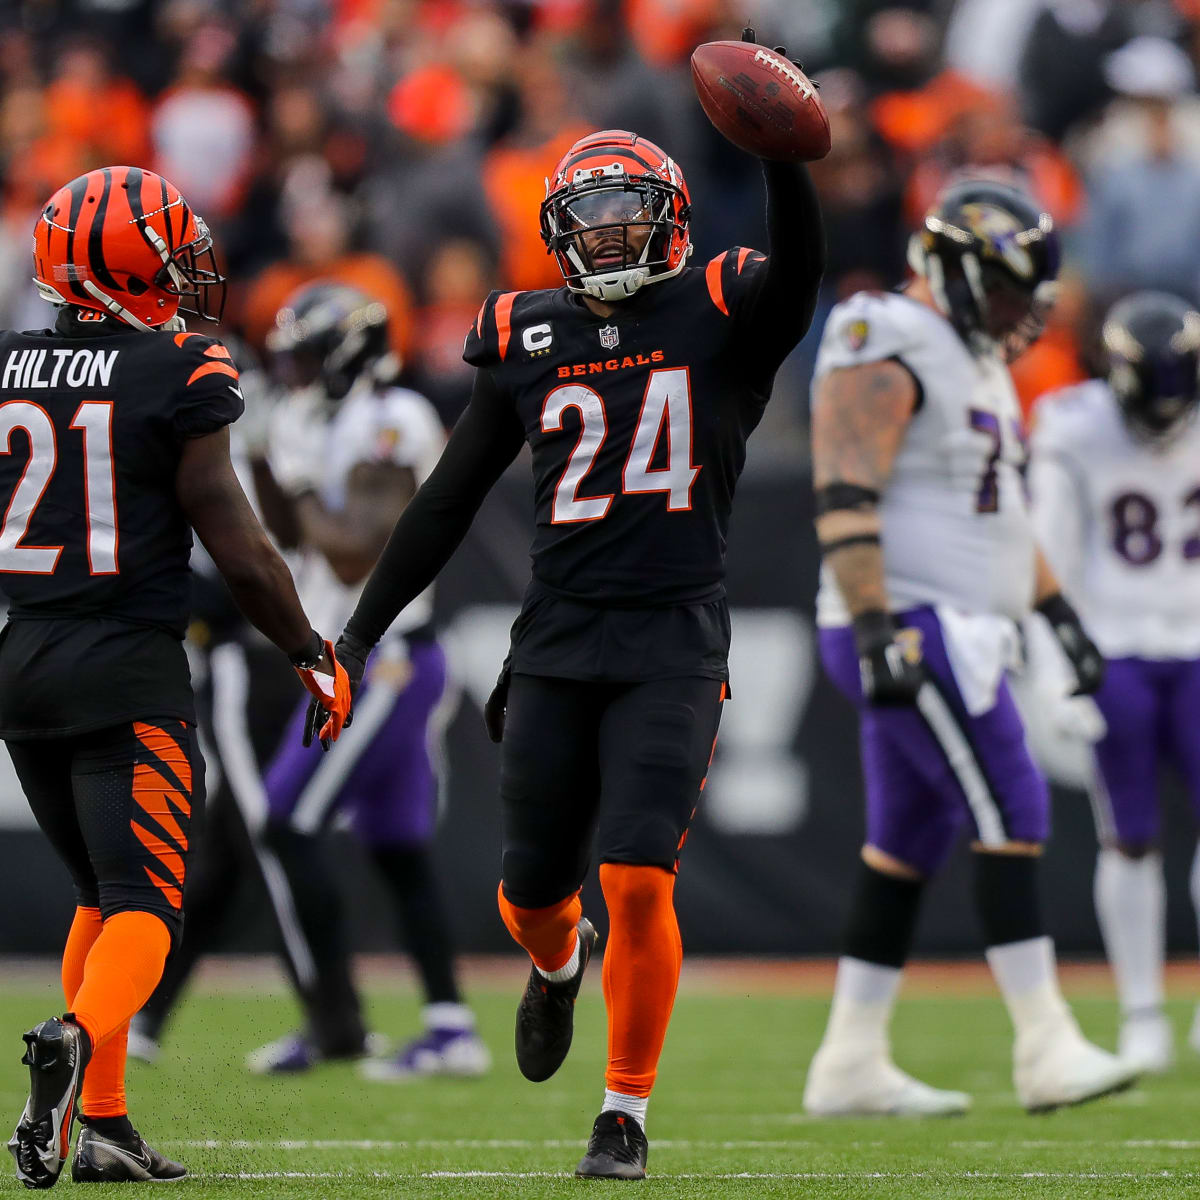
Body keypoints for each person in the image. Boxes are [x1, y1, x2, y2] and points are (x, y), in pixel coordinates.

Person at [305, 31, 826, 1179]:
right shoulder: (526, 336)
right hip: (554, 638)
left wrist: (785, 154)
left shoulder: (723, 309)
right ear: (555, 232)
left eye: (625, 213)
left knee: (641, 874)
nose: (606, 235)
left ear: (672, 217)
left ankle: (625, 1111)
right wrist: (352, 637)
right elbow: (444, 502)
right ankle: (556, 967)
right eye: (587, 218)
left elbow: (797, 275)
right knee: (531, 894)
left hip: (674, 639)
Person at [0, 165, 350, 1188]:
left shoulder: (12, 366)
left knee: (96, 895)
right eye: (162, 252)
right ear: (116, 271)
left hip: (24, 658)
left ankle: (102, 1126)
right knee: (149, 902)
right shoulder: (175, 370)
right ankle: (72, 1040)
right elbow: (240, 548)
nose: (184, 267)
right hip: (128, 665)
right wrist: (307, 651)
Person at [803, 179, 1138, 1117]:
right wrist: (875, 624)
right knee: (1013, 803)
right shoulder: (887, 333)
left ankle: (849, 1060)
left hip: (961, 623)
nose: (1013, 318)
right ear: (951, 272)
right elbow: (843, 482)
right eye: (1001, 295)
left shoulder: (972, 356)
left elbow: (994, 513)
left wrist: (1058, 612)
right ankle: (1044, 1044)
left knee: (908, 839)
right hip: (908, 618)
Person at [240, 282, 489, 1079]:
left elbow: (355, 552)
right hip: (355, 658)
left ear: (350, 353)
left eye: (310, 353)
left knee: (285, 820)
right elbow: (288, 537)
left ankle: (334, 1016)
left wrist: (300, 470)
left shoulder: (399, 416)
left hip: (385, 660)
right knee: (397, 849)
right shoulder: (311, 416)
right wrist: (256, 453)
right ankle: (451, 1027)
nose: (297, 369)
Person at [1030, 291, 1200, 1074]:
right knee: (1128, 835)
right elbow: (1048, 546)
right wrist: (1053, 665)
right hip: (1116, 647)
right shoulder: (1075, 421)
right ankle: (1142, 1013)